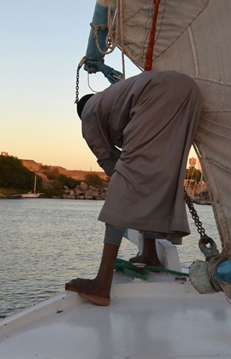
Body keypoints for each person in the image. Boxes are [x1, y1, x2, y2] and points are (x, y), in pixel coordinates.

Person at [65, 70, 202, 306]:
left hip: (159, 92)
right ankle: (149, 254)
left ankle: (101, 284)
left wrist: (126, 185)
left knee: (126, 183)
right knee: (159, 175)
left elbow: (110, 161)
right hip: (191, 92)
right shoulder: (115, 101)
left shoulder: (88, 113)